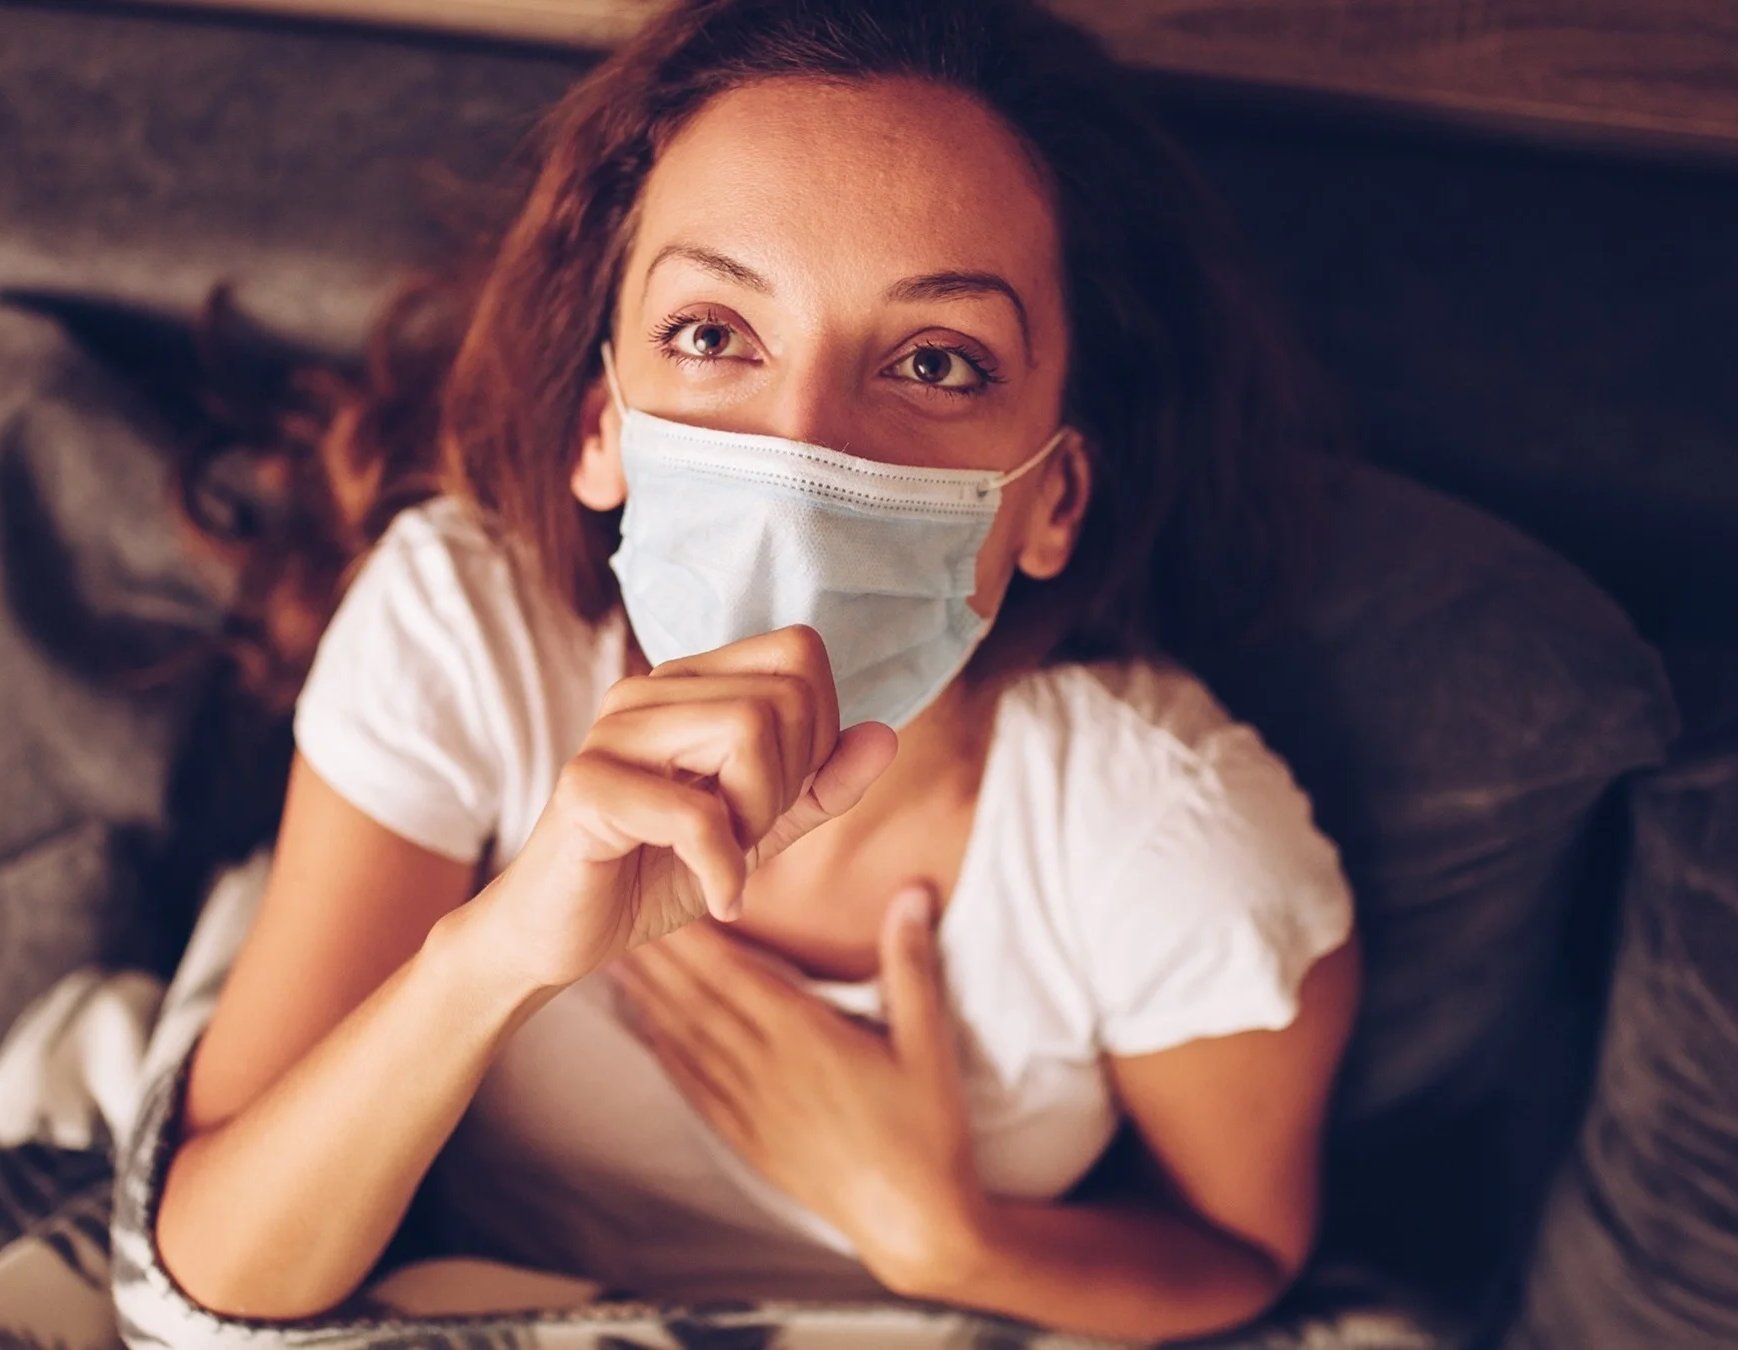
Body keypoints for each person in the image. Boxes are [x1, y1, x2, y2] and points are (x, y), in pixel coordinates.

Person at [144, 0, 1360, 1341]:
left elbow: (1244, 1251)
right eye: (716, 334)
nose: (801, 452)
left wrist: (946, 1232)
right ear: (603, 427)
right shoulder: (463, 636)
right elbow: (212, 1286)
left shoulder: (1167, 840)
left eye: (936, 361)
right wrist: (495, 956)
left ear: (1054, 497)